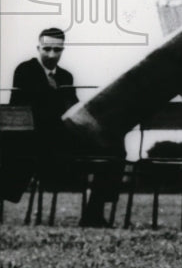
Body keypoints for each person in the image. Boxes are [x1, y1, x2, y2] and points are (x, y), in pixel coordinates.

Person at [11, 28, 123, 227]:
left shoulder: (65, 77)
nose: (52, 55)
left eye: (57, 50)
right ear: (38, 48)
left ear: (63, 49)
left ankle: (93, 213)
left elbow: (74, 107)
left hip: (63, 139)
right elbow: (28, 110)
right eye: (47, 49)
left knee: (113, 147)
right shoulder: (25, 70)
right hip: (35, 141)